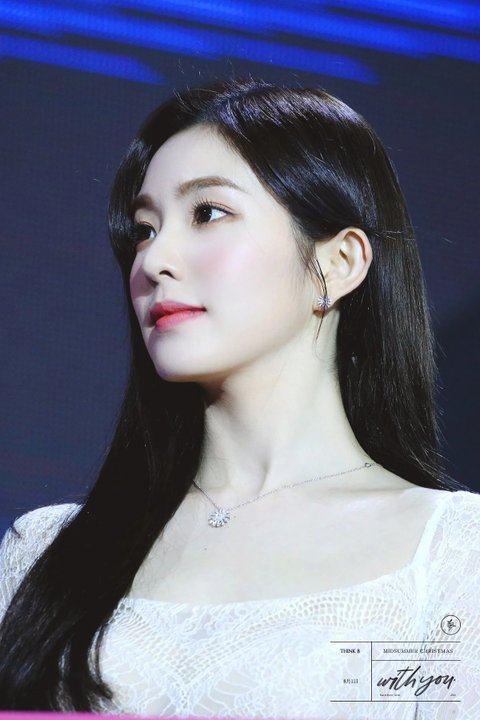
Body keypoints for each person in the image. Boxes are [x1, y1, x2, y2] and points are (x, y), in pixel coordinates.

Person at [0, 78, 478, 718]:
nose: (154, 259)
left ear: (338, 263)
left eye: (207, 213)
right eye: (143, 229)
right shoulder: (44, 553)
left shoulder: (451, 556)